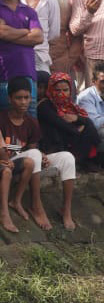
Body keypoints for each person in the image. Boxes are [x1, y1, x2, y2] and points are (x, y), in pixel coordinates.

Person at [2, 76, 78, 230]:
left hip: (27, 159)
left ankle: (66, 209)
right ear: (10, 99)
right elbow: (10, 150)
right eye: (18, 98)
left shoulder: (31, 122)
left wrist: (42, 155)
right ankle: (36, 205)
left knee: (67, 158)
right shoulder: (2, 118)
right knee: (34, 154)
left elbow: (31, 146)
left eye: (26, 98)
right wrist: (35, 153)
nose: (23, 102)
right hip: (10, 161)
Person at [0, 0, 42, 114]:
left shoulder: (29, 11)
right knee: (5, 124)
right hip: (3, 75)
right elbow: (1, 32)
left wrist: (9, 34)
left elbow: (38, 37)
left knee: (30, 122)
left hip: (28, 74)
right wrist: (25, 31)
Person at [37, 72, 97, 164]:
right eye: (57, 90)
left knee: (88, 124)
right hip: (52, 145)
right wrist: (77, 130)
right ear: (51, 89)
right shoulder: (45, 105)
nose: (61, 94)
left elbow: (83, 120)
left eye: (65, 90)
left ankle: (88, 161)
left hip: (67, 140)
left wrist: (77, 119)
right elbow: (60, 123)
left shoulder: (70, 106)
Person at [16, 0, 56, 77]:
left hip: (41, 58)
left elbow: (53, 33)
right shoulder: (14, 0)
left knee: (41, 93)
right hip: (17, 56)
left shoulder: (50, 1)